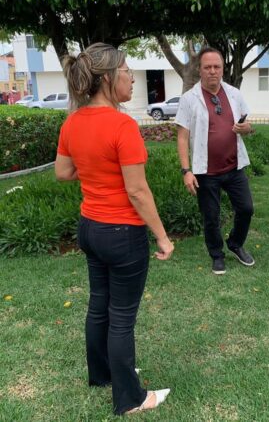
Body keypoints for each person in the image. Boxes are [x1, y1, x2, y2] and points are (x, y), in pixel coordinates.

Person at [54, 43, 174, 415]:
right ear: (108, 78)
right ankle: (130, 399)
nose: (132, 79)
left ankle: (102, 375)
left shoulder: (73, 122)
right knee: (121, 318)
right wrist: (163, 237)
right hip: (122, 234)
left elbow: (63, 172)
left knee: (99, 307)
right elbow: (137, 191)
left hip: (90, 228)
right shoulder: (122, 125)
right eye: (127, 72)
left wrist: (93, 166)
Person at [176, 47, 254, 275]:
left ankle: (235, 243)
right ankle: (217, 254)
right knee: (211, 216)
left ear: (222, 69)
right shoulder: (189, 99)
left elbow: (248, 126)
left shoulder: (234, 94)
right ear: (199, 70)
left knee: (246, 209)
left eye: (216, 67)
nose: (212, 71)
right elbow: (182, 137)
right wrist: (186, 171)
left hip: (234, 166)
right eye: (207, 67)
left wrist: (247, 129)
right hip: (205, 171)